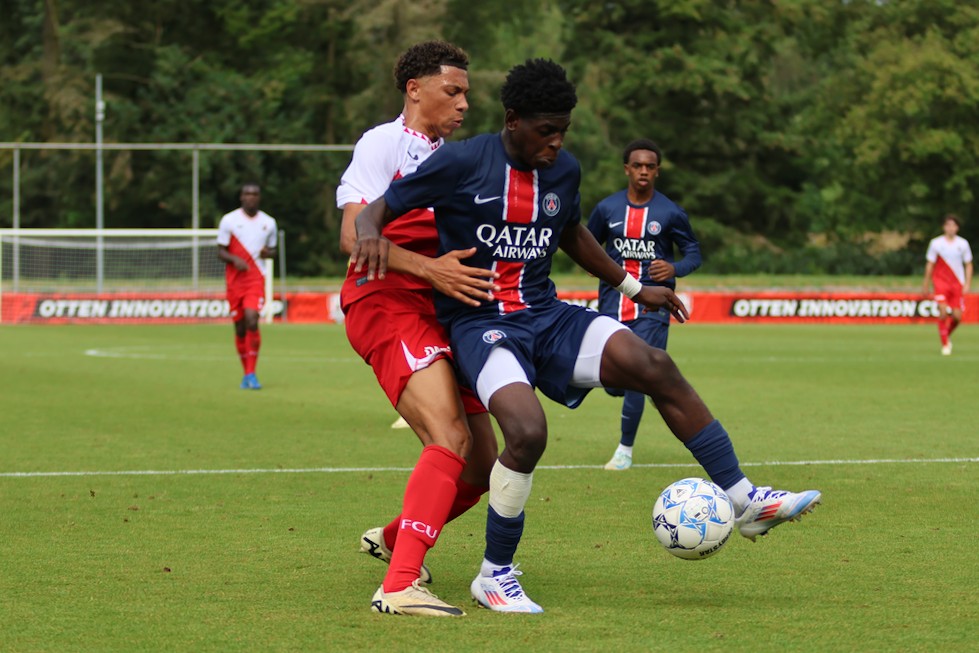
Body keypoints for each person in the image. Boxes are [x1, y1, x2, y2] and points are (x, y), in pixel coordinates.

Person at [352, 58, 822, 614]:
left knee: (652, 364)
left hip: (548, 315)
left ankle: (746, 503)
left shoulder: (563, 170)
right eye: (544, 131)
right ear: (512, 120)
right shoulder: (460, 161)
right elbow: (376, 212)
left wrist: (632, 286)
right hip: (483, 324)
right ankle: (495, 576)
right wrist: (372, 240)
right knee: (526, 432)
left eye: (562, 132)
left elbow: (571, 232)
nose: (554, 143)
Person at [336, 41, 500, 617]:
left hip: (439, 311)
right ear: (415, 89)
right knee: (449, 437)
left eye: (467, 95)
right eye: (452, 91)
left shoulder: (452, 159)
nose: (463, 104)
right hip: (384, 301)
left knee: (482, 465)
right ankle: (401, 584)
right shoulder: (383, 143)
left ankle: (393, 537)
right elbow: (355, 238)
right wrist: (431, 268)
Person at [587, 139, 702, 470]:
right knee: (614, 384)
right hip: (613, 306)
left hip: (653, 311)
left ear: (657, 171)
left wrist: (675, 268)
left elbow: (694, 252)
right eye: (637, 165)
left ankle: (624, 450)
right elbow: (588, 247)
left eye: (650, 166)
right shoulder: (607, 209)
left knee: (639, 373)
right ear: (627, 169)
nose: (643, 172)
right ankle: (634, 391)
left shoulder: (670, 212)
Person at [217, 183, 277, 390]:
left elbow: (273, 250)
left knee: (252, 319)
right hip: (235, 281)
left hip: (256, 278)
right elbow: (220, 251)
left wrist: (267, 254)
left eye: (255, 194)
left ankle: (252, 373)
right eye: (247, 194)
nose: (251, 197)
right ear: (241, 197)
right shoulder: (229, 220)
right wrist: (234, 259)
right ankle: (246, 373)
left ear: (259, 198)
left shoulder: (269, 223)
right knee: (240, 326)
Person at [922, 214, 973, 356]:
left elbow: (968, 265)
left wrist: (967, 283)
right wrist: (926, 283)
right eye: (948, 225)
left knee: (957, 317)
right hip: (940, 282)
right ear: (944, 227)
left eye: (953, 225)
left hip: (957, 283)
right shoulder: (936, 243)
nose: (951, 228)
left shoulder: (963, 244)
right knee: (943, 312)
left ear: (957, 228)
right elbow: (930, 264)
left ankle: (946, 334)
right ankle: (945, 344)